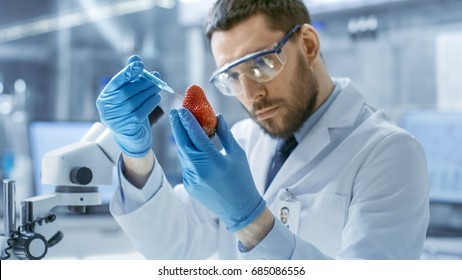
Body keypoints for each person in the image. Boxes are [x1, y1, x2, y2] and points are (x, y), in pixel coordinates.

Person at [96, 0, 429, 259]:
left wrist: (250, 221)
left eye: (261, 63)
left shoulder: (390, 153)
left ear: (309, 46)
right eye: (232, 76)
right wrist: (136, 155)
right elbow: (173, 248)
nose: (250, 94)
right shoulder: (242, 140)